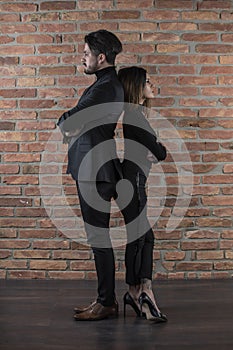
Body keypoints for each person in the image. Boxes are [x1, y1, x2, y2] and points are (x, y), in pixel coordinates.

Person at [57, 30, 124, 321]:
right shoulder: (104, 85)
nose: (82, 58)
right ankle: (103, 299)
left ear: (101, 57)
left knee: (99, 238)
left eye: (86, 53)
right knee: (97, 237)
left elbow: (68, 121)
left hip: (94, 170)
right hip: (92, 168)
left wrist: (67, 122)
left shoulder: (105, 87)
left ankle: (106, 302)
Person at [117, 66, 167, 322]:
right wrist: (157, 149)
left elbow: (155, 150)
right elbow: (159, 152)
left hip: (134, 181)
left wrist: (155, 148)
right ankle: (140, 291)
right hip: (133, 184)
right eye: (147, 81)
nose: (152, 84)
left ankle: (137, 292)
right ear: (136, 86)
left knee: (143, 238)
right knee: (140, 239)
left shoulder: (135, 116)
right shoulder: (135, 116)